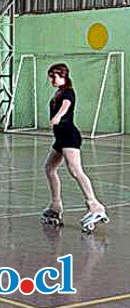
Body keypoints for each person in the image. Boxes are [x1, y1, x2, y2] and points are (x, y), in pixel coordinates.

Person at [39, 63, 109, 233]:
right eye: (50, 76)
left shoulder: (68, 92)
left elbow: (66, 105)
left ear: (63, 76)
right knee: (49, 169)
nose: (52, 80)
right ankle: (55, 206)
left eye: (54, 76)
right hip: (60, 138)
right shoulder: (58, 92)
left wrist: (58, 116)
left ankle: (95, 205)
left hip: (70, 136)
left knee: (76, 171)